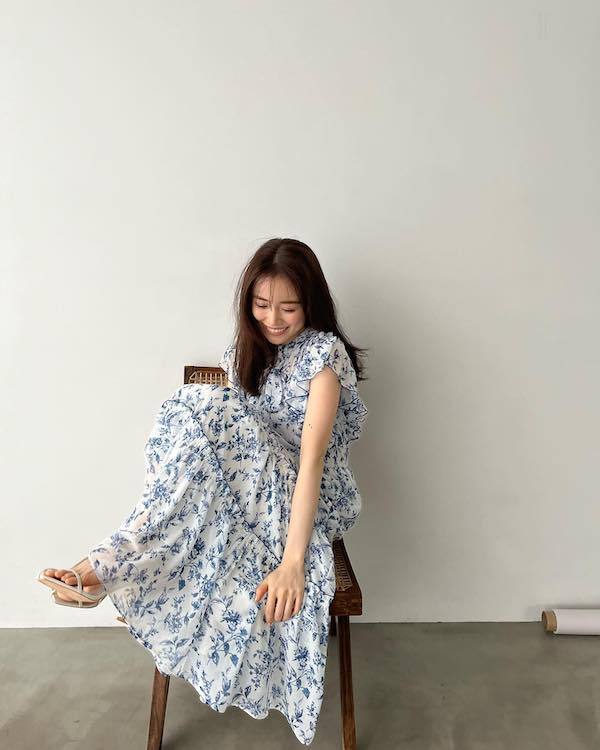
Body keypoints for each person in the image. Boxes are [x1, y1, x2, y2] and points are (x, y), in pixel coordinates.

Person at [36, 237, 369, 745]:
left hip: (305, 498)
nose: (273, 320)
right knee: (195, 422)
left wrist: (292, 563)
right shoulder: (244, 353)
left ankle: (106, 565)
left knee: (202, 405)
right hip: (247, 490)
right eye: (261, 305)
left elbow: (312, 463)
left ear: (311, 303)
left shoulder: (323, 358)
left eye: (288, 307)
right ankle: (109, 561)